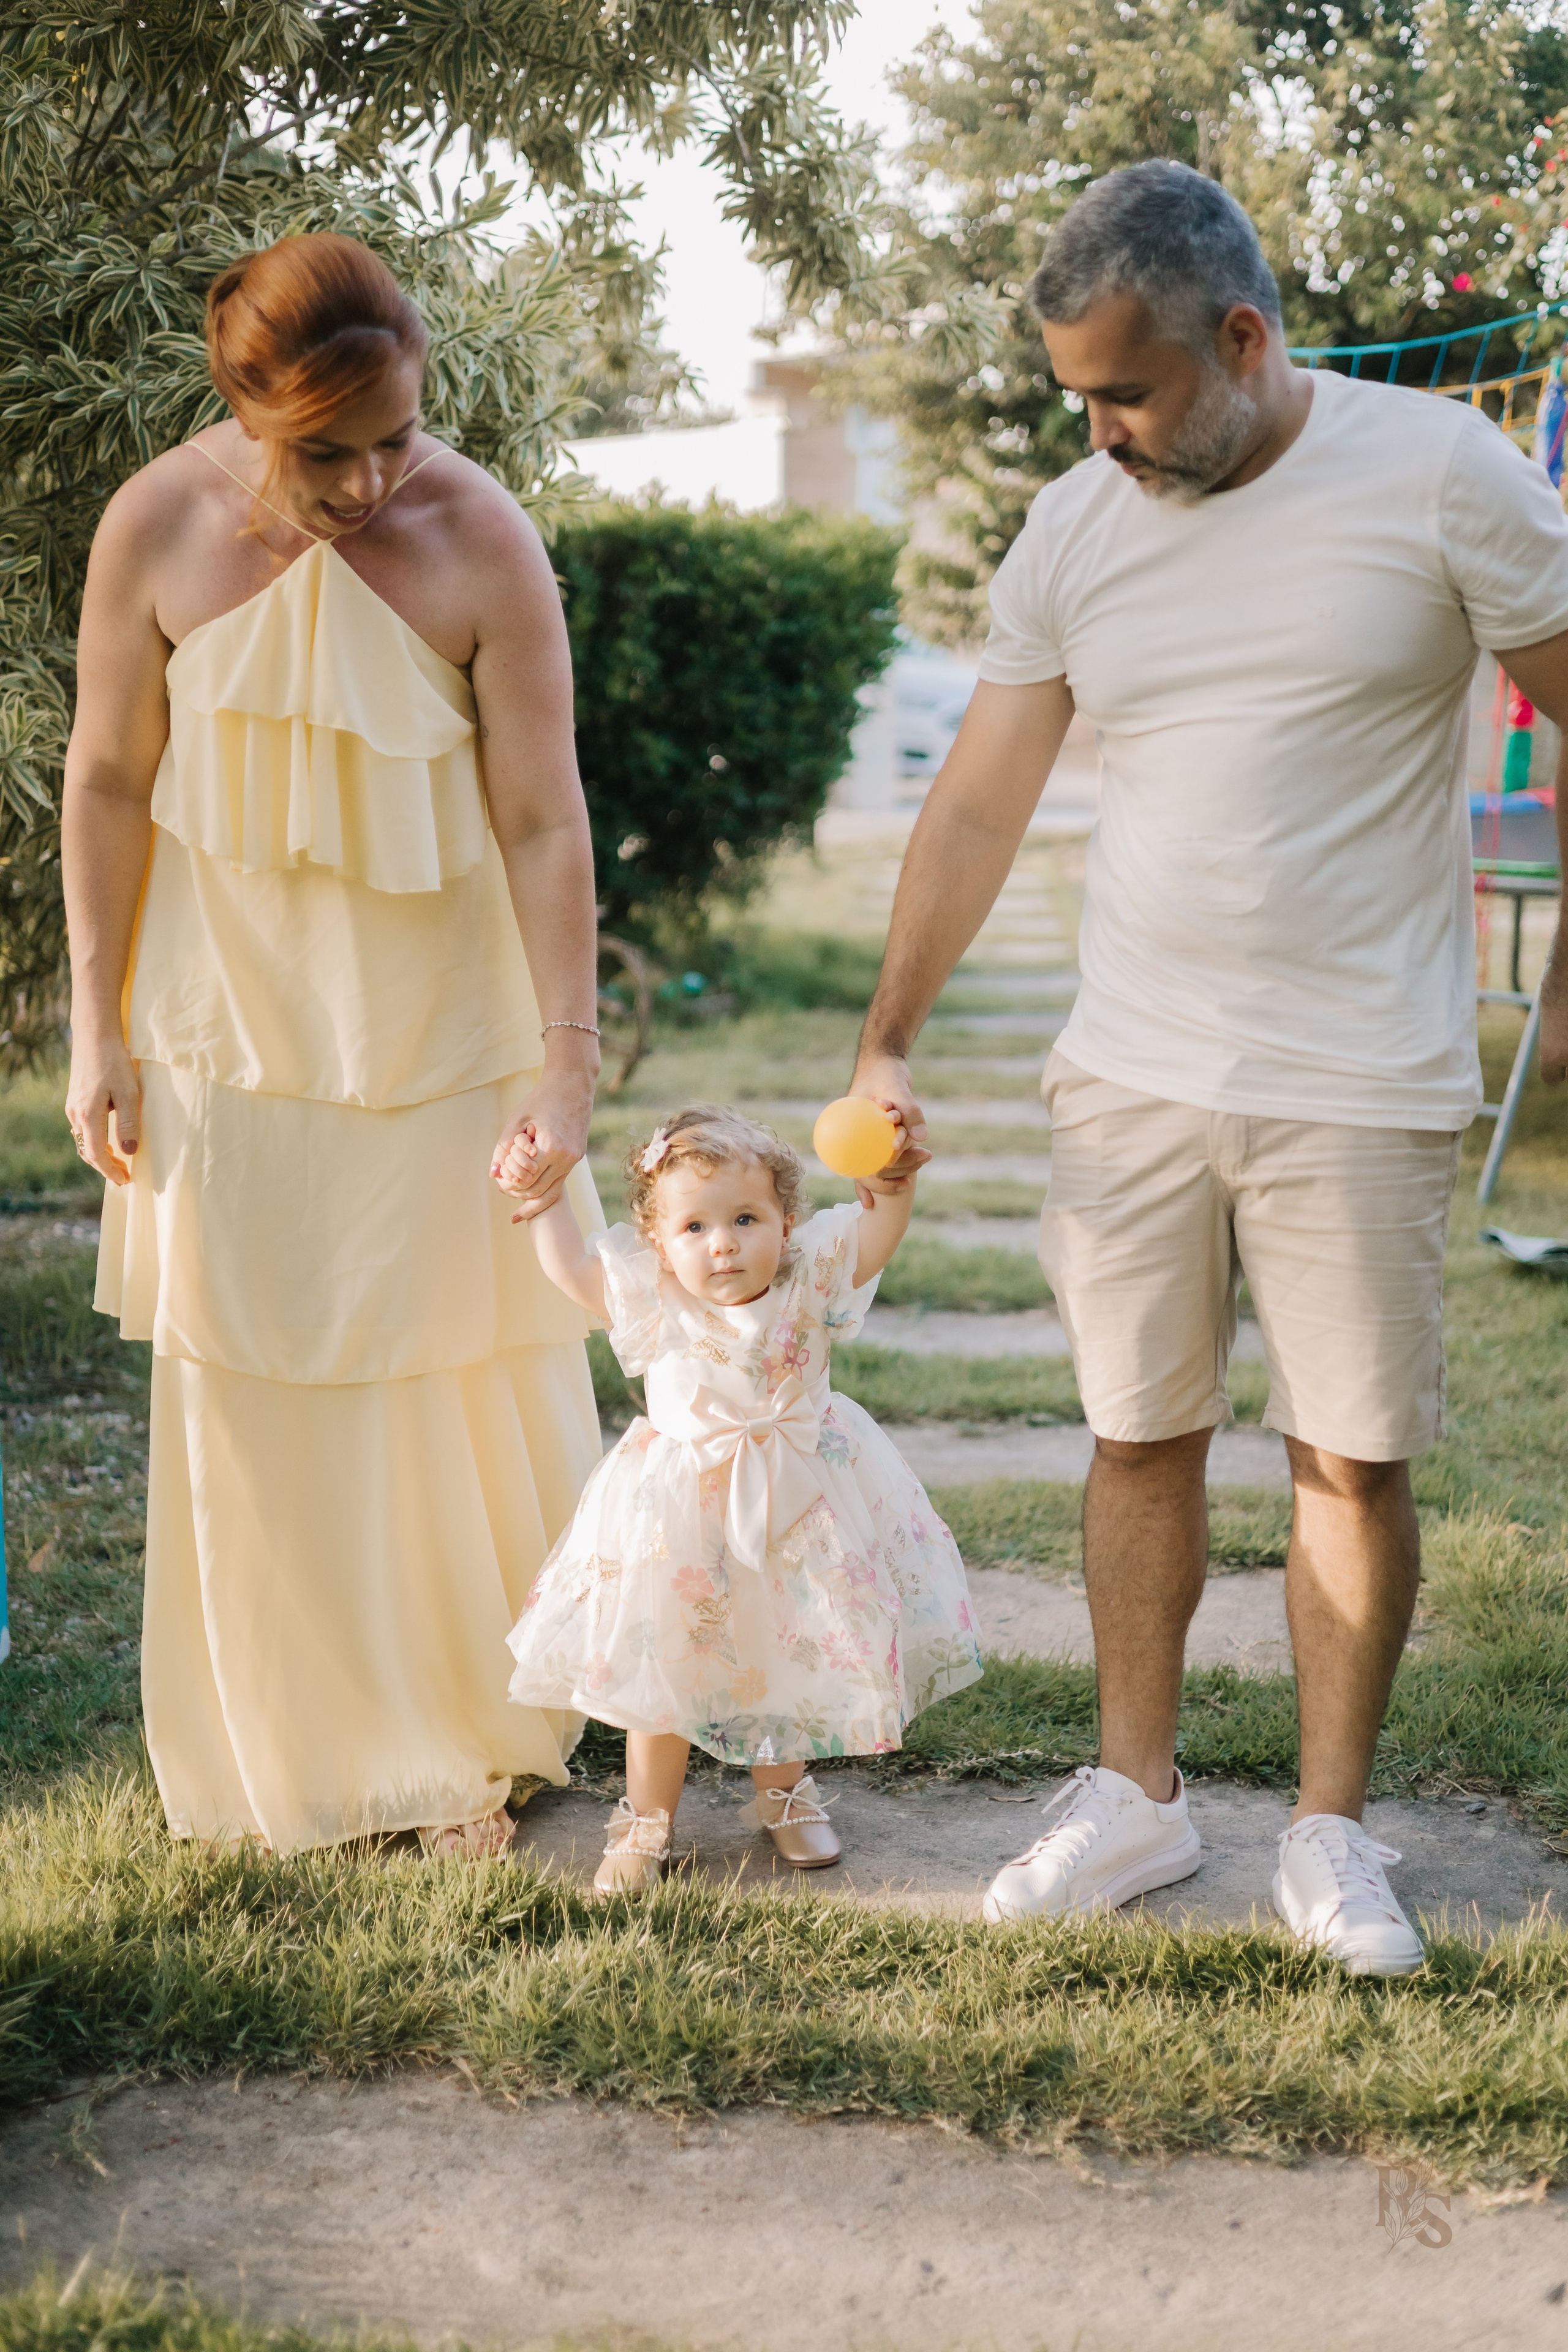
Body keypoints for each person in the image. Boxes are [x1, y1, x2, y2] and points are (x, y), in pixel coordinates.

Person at [850, 160, 1568, 1975]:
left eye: (1133, 391)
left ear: (1242, 340)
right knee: (1136, 1435)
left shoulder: (1441, 475)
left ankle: (1330, 1835)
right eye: (1077, 396)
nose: (1100, 433)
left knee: (1351, 1457)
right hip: (1137, 1071)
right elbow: (984, 795)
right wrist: (889, 1029)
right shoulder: (1077, 529)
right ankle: (1137, 1795)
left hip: (1365, 1073)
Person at [62, 232, 608, 1855]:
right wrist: (97, 1026)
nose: (374, 480)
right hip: (224, 1032)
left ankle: (465, 1745)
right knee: (256, 1390)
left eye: (399, 435)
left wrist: (563, 1059)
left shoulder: (477, 530)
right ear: (243, 406)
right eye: (328, 452)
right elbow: (102, 782)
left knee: (441, 1378)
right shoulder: (154, 524)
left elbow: (541, 814)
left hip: (442, 1034)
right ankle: (295, 1746)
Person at [500, 1104, 982, 1894]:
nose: (722, 1242)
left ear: (787, 1223)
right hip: (679, 1517)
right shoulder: (656, 1299)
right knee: (665, 1665)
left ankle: (783, 1796)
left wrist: (890, 1183)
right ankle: (646, 1818)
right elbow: (571, 1272)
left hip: (801, 1505)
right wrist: (546, 1199)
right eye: (694, 1227)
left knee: (776, 1646)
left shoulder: (812, 1282)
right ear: (659, 1241)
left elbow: (874, 1235)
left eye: (746, 1218)